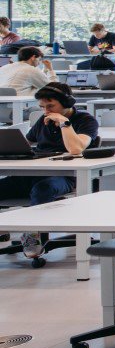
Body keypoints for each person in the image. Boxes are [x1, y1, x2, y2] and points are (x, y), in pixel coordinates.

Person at [0, 84, 98, 257]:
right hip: (34, 173)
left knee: (42, 189)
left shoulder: (86, 120)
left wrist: (64, 123)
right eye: (42, 107)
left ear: (67, 102)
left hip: (66, 176)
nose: (46, 111)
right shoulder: (43, 120)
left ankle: (33, 235)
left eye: (50, 106)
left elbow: (76, 148)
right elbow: (26, 143)